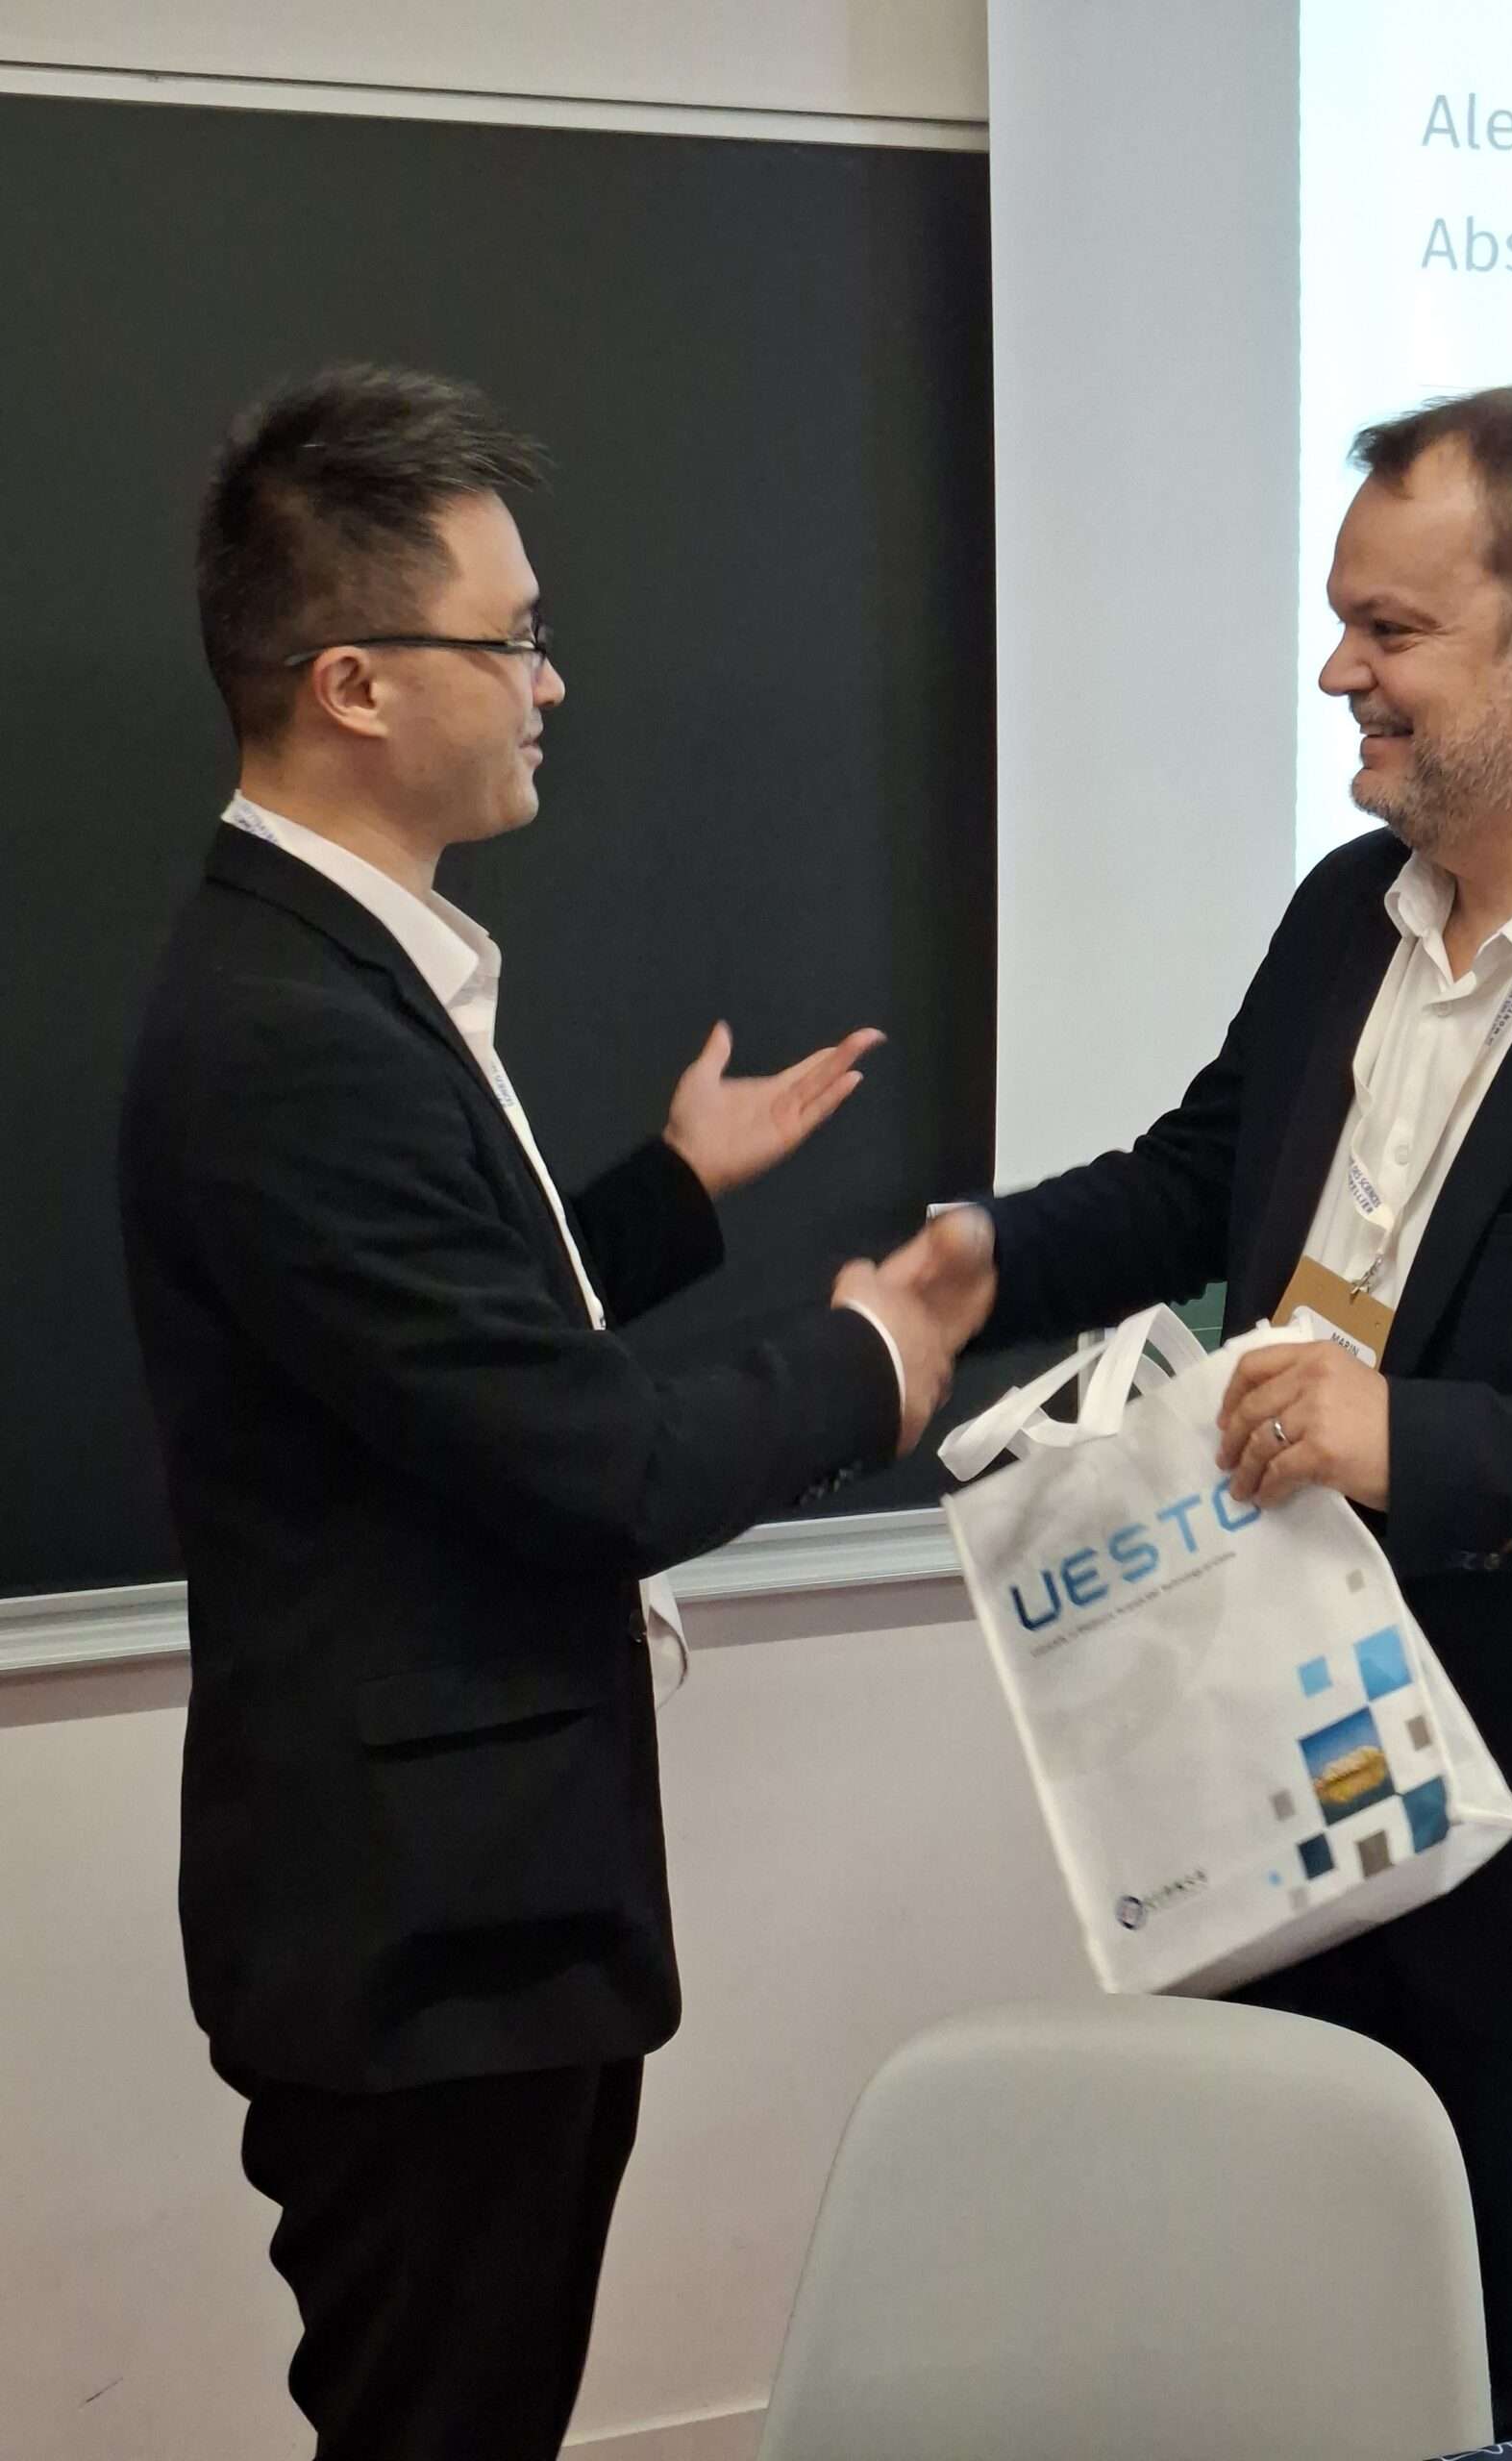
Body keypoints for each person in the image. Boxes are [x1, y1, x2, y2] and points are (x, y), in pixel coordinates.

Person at [896, 385, 1512, 2434]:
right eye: (1343, 620)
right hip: (1290, 1832)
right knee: (1305, 2374)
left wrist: (1415, 1438)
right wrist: (986, 1260)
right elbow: (1204, 1172)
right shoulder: (1351, 906)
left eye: (1391, 628)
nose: (1339, 671)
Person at [118, 363, 992, 2461]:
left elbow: (432, 1343)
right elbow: (584, 1463)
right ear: (352, 683)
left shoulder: (335, 964)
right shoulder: (293, 1029)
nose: (551, 681)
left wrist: (672, 1193)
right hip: (431, 1944)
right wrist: (872, 1357)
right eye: (509, 638)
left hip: (449, 1911)